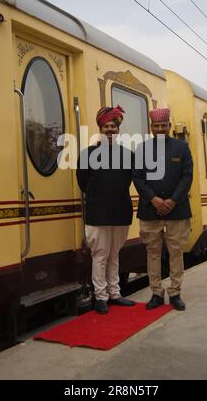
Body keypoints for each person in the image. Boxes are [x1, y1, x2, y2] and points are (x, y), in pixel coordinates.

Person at [76, 105, 135, 314]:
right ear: (100, 128)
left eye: (113, 126)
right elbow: (83, 183)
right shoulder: (87, 154)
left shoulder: (128, 155)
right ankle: (100, 297)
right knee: (100, 255)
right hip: (98, 212)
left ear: (118, 130)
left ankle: (115, 294)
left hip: (120, 211)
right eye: (106, 126)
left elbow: (129, 180)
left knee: (114, 255)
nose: (110, 129)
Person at [133, 107, 193, 311]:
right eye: (156, 126)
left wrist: (173, 201)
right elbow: (138, 178)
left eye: (163, 125)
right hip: (151, 209)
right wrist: (154, 199)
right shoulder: (142, 149)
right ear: (151, 128)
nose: (160, 129)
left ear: (169, 126)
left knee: (176, 251)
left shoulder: (181, 147)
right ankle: (156, 292)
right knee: (153, 252)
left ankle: (175, 293)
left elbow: (187, 176)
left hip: (178, 209)